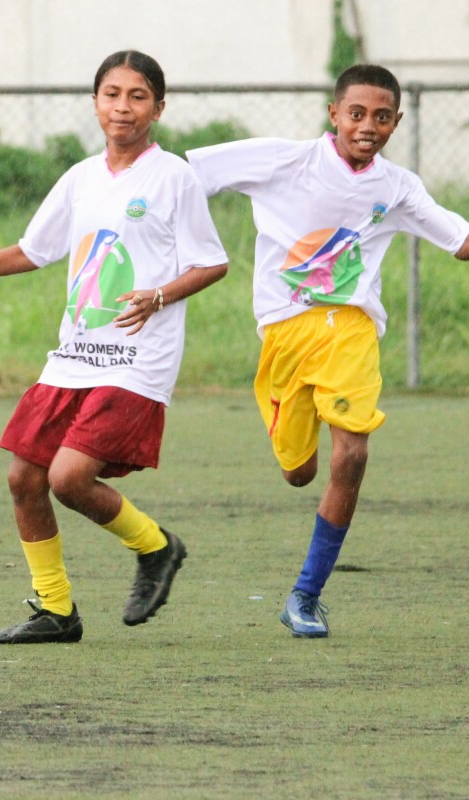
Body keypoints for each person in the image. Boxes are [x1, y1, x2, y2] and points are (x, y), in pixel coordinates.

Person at [0, 50, 229, 644]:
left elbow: (212, 262)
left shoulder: (173, 176)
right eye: (111, 94)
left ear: (158, 107)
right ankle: (56, 611)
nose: (122, 107)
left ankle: (157, 548)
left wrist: (159, 295)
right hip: (75, 356)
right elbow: (32, 251)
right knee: (25, 477)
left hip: (136, 358)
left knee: (69, 478)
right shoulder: (80, 177)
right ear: (95, 101)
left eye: (137, 96)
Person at [187, 65, 469, 638]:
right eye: (358, 113)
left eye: (382, 116)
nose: (368, 126)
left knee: (352, 457)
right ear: (334, 114)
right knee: (299, 473)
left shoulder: (398, 187)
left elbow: (460, 240)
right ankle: (295, 443)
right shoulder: (281, 160)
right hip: (285, 332)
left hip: (351, 329)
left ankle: (305, 596)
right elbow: (184, 174)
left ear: (396, 122)